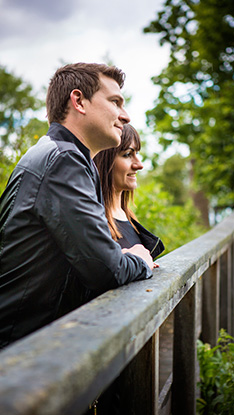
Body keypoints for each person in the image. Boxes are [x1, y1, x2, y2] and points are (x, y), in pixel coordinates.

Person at [0, 63, 155, 350]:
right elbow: (106, 270)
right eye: (115, 102)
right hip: (17, 352)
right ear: (79, 101)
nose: (125, 115)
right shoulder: (64, 161)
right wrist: (141, 259)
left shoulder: (58, 154)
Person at [94, 124, 164, 257]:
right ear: (104, 161)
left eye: (137, 153)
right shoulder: (93, 222)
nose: (139, 165)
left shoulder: (129, 218)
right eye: (127, 155)